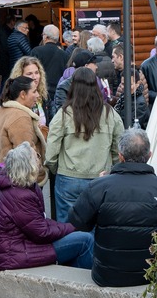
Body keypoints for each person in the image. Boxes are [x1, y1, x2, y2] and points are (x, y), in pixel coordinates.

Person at [68, 128, 157, 286]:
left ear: (120, 156)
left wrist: (98, 185)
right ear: (149, 155)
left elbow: (78, 222)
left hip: (108, 275)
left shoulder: (99, 186)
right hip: (153, 275)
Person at [0, 142, 94, 271]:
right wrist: (72, 227)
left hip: (7, 249)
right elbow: (42, 233)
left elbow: (38, 223)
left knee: (76, 237)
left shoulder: (17, 184)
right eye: (37, 157)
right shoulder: (20, 195)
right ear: (28, 166)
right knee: (86, 240)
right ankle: (78, 280)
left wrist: (68, 227)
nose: (40, 160)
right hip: (7, 256)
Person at [45, 67, 122, 220]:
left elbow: (51, 151)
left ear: (73, 86)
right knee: (97, 224)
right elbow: (118, 149)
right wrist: (113, 170)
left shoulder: (64, 113)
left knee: (68, 226)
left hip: (69, 177)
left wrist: (58, 169)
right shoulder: (110, 113)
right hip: (101, 177)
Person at [0, 76, 44, 175]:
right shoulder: (20, 117)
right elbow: (26, 157)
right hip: (17, 178)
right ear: (23, 94)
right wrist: (40, 173)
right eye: (34, 91)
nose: (38, 95)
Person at [31, 25, 68, 94]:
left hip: (40, 90)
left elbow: (30, 71)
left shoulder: (36, 51)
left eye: (42, 34)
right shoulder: (64, 54)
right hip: (58, 91)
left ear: (45, 37)